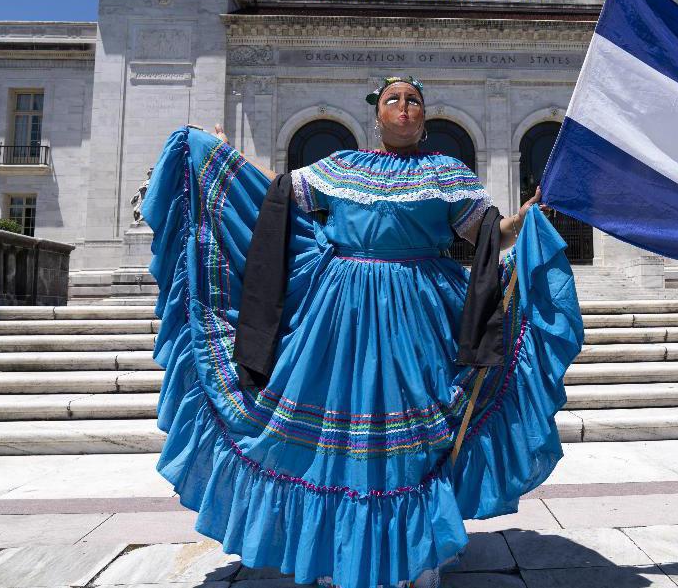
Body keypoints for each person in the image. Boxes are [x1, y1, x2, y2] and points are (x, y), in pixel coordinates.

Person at [143, 76, 583, 588]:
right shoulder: (343, 166)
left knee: (417, 431)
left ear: (424, 116)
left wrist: (526, 216)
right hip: (340, 311)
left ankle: (416, 556)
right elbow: (276, 194)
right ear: (377, 115)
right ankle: (336, 552)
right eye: (393, 99)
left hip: (421, 309)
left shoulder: (447, 173)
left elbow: (491, 236)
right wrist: (222, 155)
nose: (403, 107)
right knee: (343, 426)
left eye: (413, 101)